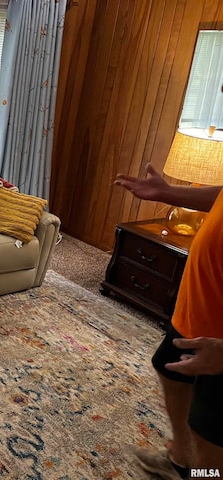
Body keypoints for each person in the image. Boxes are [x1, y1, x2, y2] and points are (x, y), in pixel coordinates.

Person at [115, 163, 223, 479]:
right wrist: (169, 192)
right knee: (169, 369)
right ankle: (180, 459)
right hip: (196, 316)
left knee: (210, 438)